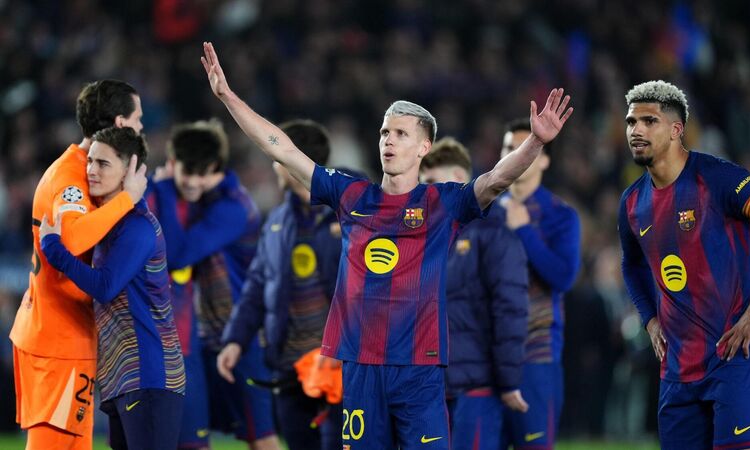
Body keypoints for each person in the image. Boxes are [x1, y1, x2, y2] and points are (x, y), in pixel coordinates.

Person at [201, 41, 573, 449]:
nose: (388, 141)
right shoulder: (351, 195)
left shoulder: (443, 203)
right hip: (360, 367)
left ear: (424, 147)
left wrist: (535, 143)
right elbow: (283, 149)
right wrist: (228, 97)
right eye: (384, 132)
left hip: (419, 369)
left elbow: (496, 179)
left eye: (400, 133)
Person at [618, 80, 750, 450]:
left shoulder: (719, 179)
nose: (636, 130)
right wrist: (650, 320)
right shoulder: (632, 203)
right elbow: (631, 266)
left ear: (676, 129)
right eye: (631, 122)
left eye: (649, 121)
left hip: (736, 356)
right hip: (677, 370)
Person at [9, 79, 147, 449]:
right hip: (58, 338)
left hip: (66, 333)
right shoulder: (71, 178)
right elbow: (69, 241)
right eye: (137, 119)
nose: (141, 127)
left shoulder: (81, 172)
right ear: (120, 123)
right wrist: (128, 199)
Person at [39, 126, 185, 450]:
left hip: (149, 374)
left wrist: (55, 251)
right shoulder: (109, 224)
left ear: (130, 170)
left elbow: (105, 286)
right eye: (90, 161)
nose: (91, 170)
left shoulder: (137, 226)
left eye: (103, 163)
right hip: (123, 377)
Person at [146, 119, 276, 450]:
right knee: (200, 439)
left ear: (215, 167)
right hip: (209, 337)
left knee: (261, 437)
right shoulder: (204, 200)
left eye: (199, 172)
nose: (191, 182)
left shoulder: (233, 208)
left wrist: (164, 188)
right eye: (185, 172)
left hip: (243, 338)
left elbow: (178, 255)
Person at [218, 119, 346, 450]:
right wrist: (235, 340)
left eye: (277, 157)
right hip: (290, 370)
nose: (274, 166)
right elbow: (258, 284)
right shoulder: (277, 221)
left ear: (294, 160)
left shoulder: (351, 211)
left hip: (342, 368)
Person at [419, 137, 529, 450]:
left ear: (457, 178)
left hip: (477, 387)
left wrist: (508, 380)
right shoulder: (425, 240)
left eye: (430, 182)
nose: (425, 192)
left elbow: (510, 311)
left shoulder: (494, 235)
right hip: (430, 387)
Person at [494, 118, 581, 450]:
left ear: (544, 160)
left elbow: (563, 278)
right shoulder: (484, 211)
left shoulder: (561, 215)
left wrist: (524, 230)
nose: (515, 154)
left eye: (526, 148)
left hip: (536, 353)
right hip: (482, 357)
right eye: (508, 147)